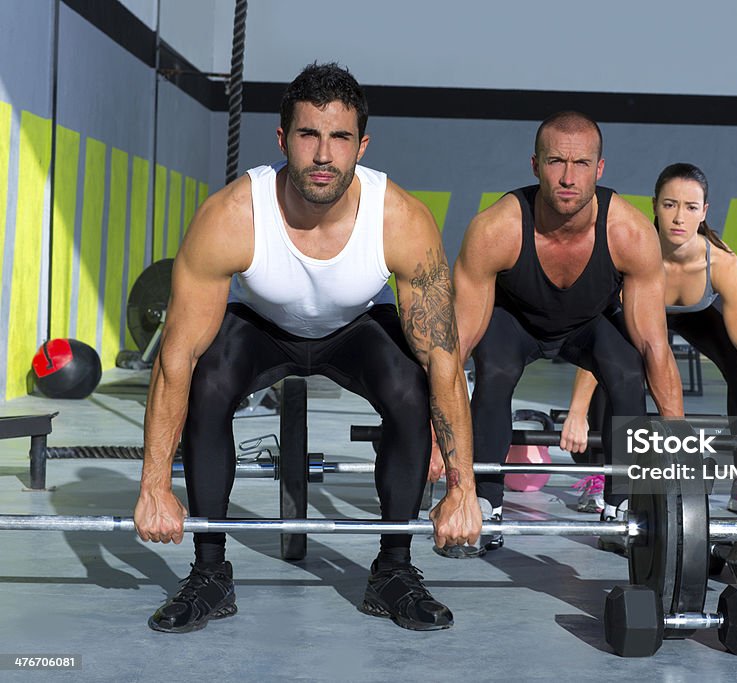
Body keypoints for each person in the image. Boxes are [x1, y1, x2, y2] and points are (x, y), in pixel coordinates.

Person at [132, 63, 481, 634]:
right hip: (263, 328)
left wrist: (463, 488)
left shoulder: (401, 220)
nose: (323, 154)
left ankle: (394, 572)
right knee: (207, 379)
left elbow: (444, 357)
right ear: (282, 139)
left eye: (340, 137)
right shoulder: (232, 215)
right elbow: (174, 359)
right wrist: (153, 488)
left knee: (409, 384)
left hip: (354, 330)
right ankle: (209, 573)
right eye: (308, 135)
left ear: (361, 145)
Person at [450, 111, 684, 555]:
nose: (567, 177)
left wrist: (678, 441)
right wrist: (436, 430)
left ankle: (622, 507)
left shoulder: (629, 233)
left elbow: (655, 344)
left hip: (586, 324)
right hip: (512, 321)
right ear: (535, 165)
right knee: (494, 370)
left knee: (629, 372)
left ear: (600, 168)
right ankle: (484, 501)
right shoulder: (495, 229)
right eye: (556, 162)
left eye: (580, 165)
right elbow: (457, 345)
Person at [564, 163, 737, 518]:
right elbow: (597, 336)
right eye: (670, 204)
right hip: (644, 309)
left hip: (696, 315)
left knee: (736, 360)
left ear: (704, 212)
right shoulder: (631, 253)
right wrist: (576, 414)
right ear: (654, 205)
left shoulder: (722, 264)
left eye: (691, 207)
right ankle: (603, 472)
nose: (679, 217)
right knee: (614, 362)